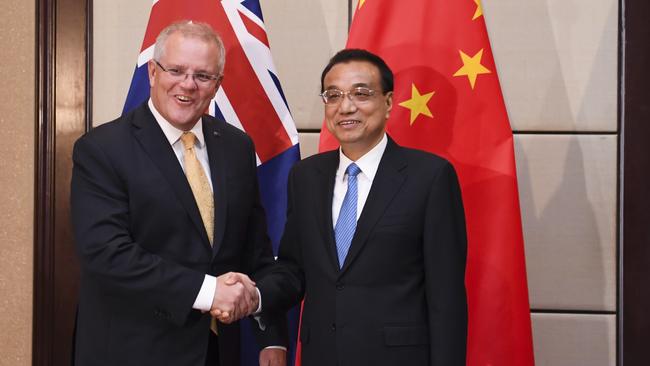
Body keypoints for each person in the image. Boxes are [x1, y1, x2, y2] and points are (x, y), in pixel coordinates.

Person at [71, 21, 286, 366]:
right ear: (153, 72)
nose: (188, 85)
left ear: (217, 86)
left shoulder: (236, 147)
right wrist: (208, 291)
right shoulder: (102, 149)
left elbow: (254, 251)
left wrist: (270, 336)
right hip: (131, 352)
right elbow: (106, 253)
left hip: (215, 352)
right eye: (176, 70)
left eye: (203, 76)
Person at [250, 49, 468, 365]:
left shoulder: (430, 177)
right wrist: (257, 297)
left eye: (361, 94)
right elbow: (293, 269)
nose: (346, 106)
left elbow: (446, 298)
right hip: (321, 355)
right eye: (333, 95)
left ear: (389, 102)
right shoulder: (306, 177)